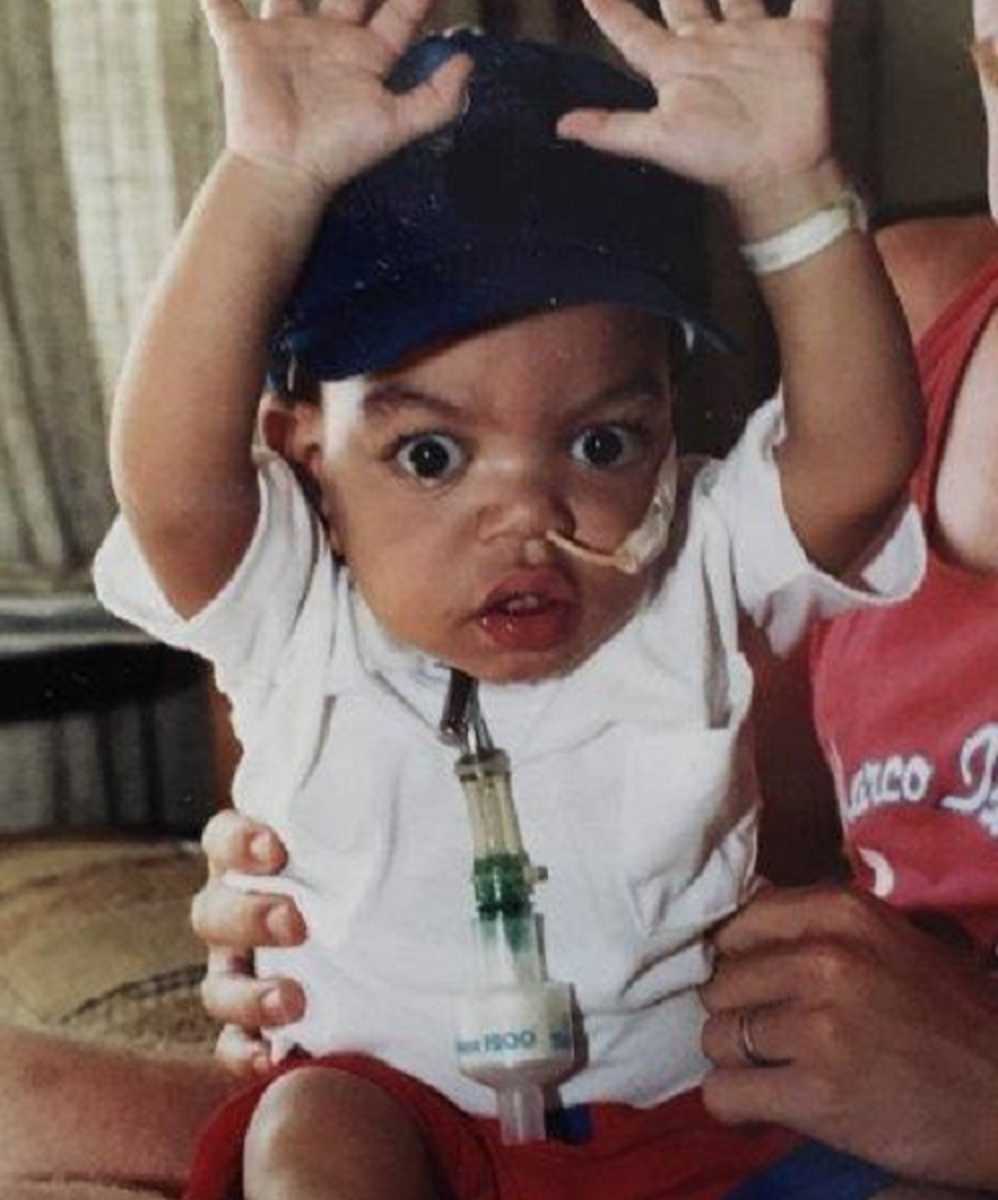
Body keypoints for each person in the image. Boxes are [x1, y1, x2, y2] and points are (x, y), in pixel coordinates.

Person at [0, 0, 925, 1197]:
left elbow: (855, 460)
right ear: (307, 455)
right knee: (309, 1132)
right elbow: (172, 487)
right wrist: (264, 180)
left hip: (692, 1113)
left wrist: (791, 197)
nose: (527, 514)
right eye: (430, 456)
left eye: (602, 444)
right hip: (398, 1119)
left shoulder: (691, 559)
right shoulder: (295, 605)